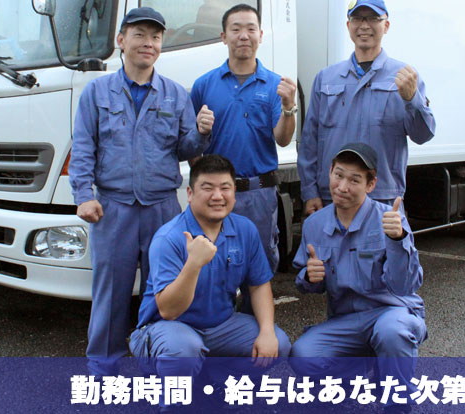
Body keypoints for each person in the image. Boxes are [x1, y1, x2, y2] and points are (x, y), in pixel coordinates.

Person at [68, 7, 214, 377]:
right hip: (112, 207)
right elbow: (83, 147)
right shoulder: (96, 92)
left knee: (162, 290)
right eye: (139, 35)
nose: (148, 43)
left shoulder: (175, 94)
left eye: (155, 37)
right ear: (121, 40)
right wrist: (83, 195)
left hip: (162, 208)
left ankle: (158, 361)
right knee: (110, 293)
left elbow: (185, 149)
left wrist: (201, 132)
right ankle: (103, 367)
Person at [289, 142, 427, 414]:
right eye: (338, 175)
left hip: (391, 312)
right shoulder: (314, 224)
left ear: (370, 184)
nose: (342, 187)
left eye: (354, 180)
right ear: (330, 172)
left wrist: (398, 239)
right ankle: (362, 374)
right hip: (345, 321)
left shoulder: (390, 219)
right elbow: (308, 282)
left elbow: (406, 285)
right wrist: (309, 276)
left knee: (391, 333)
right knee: (303, 355)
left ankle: (398, 403)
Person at [129, 154, 291, 381]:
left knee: (279, 343)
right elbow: (169, 310)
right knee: (183, 350)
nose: (217, 196)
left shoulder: (245, 229)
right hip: (169, 328)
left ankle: (217, 383)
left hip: (221, 326)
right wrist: (193, 264)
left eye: (225, 188)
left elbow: (258, 286)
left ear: (234, 191)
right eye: (207, 188)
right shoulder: (169, 238)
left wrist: (266, 332)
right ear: (190, 193)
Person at [298, 0, 436, 216]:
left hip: (382, 199)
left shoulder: (405, 77)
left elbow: (423, 135)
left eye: (372, 18)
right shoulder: (326, 79)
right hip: (333, 197)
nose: (364, 25)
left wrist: (412, 100)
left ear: (386, 25)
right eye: (357, 18)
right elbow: (310, 141)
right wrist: (310, 192)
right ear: (348, 25)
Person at [191, 3, 297, 283]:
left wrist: (288, 108)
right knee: (213, 265)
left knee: (258, 267)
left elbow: (283, 139)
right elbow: (191, 145)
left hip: (258, 194)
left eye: (251, 29)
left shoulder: (274, 85)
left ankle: (256, 312)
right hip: (215, 194)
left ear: (261, 35)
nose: (243, 36)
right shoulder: (203, 85)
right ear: (223, 36)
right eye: (235, 29)